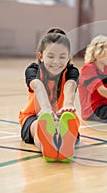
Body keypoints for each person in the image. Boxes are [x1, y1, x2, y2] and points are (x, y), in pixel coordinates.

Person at [19, 28, 80, 162]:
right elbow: (37, 85)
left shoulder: (72, 71)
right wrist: (46, 109)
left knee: (68, 123)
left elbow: (70, 85)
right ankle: (48, 147)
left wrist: (68, 105)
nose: (56, 62)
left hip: (62, 115)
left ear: (69, 57)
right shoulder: (33, 69)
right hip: (35, 115)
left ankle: (64, 145)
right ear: (41, 56)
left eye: (62, 57)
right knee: (37, 127)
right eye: (51, 56)